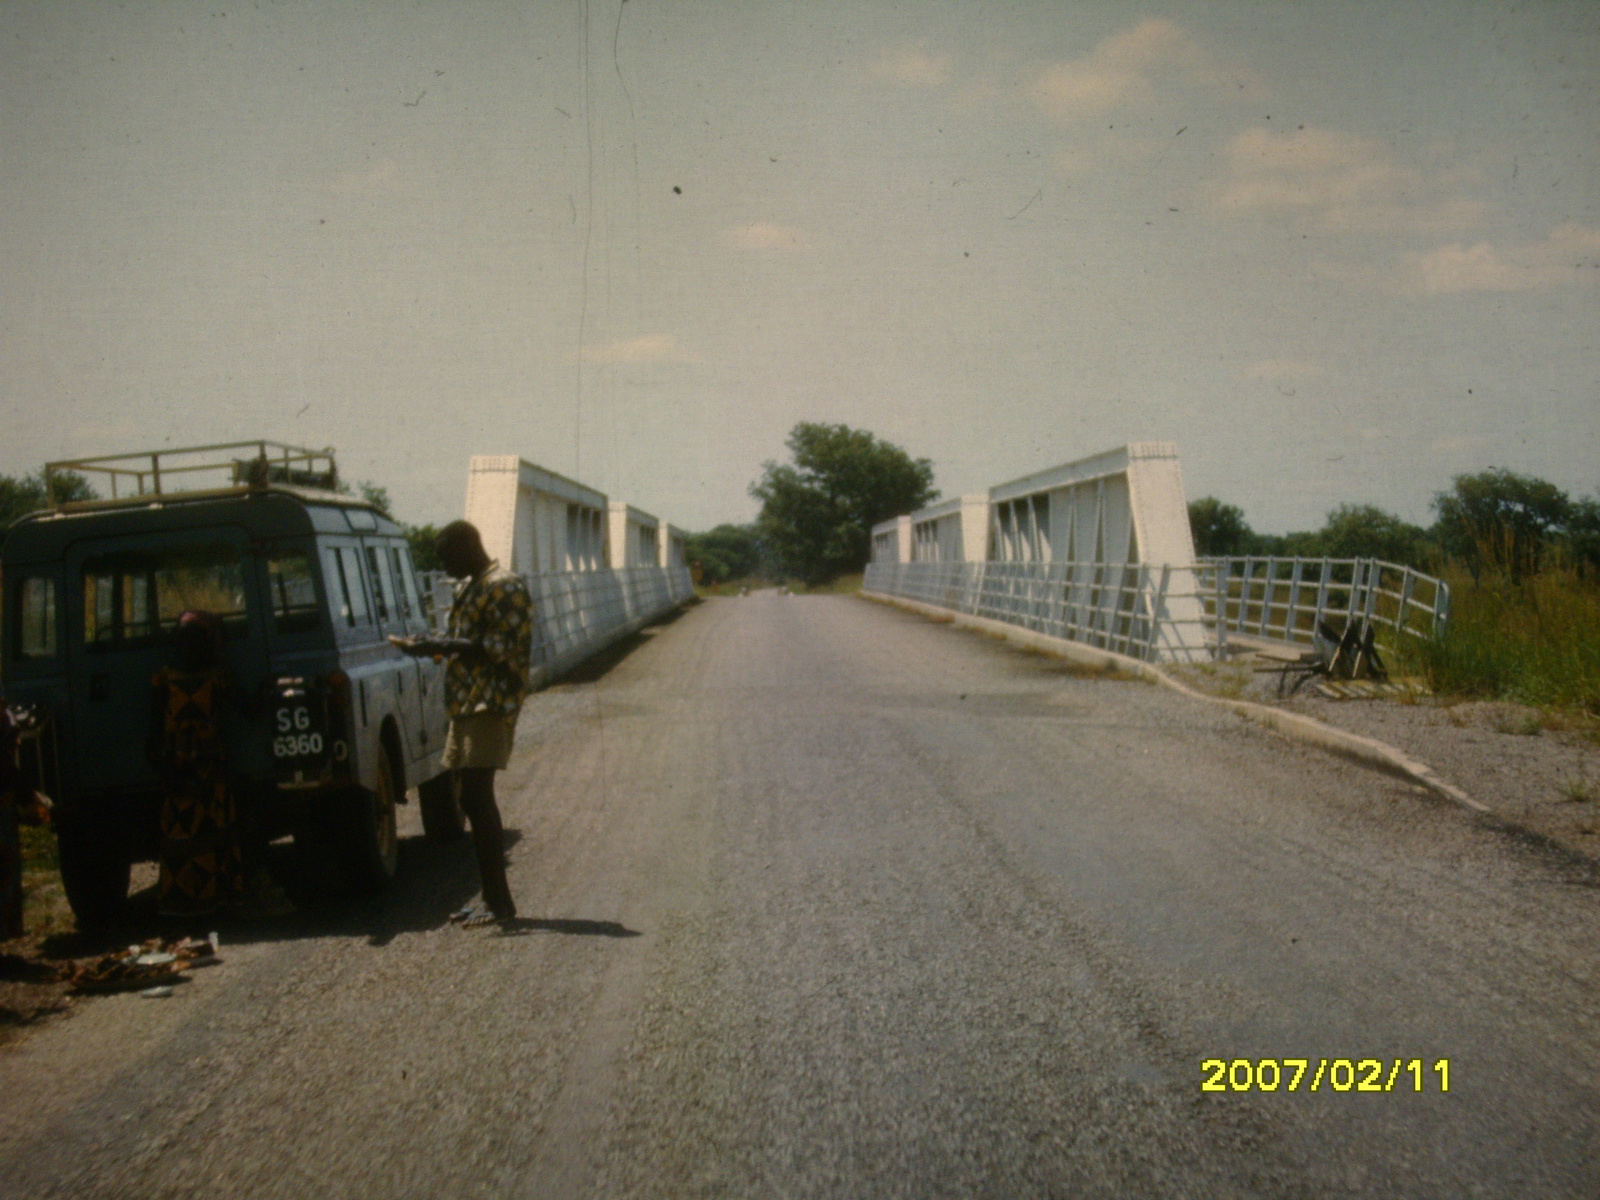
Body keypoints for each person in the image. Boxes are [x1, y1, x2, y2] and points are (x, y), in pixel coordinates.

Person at [390, 520, 533, 925]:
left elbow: (498, 648)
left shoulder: (502, 585)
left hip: (490, 701)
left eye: (447, 556)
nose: (444, 565)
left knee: (475, 797)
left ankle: (499, 904)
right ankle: (493, 899)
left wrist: (436, 646)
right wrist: (435, 645)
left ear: (469, 545)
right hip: (469, 702)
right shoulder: (473, 585)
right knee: (470, 798)